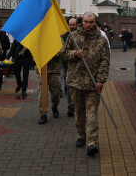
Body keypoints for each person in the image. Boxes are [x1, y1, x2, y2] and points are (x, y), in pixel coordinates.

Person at [62, 11, 110, 156]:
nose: (88, 25)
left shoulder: (101, 40)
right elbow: (64, 53)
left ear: (96, 22)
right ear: (81, 22)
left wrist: (101, 80)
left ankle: (92, 142)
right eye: (86, 22)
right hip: (76, 82)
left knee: (92, 114)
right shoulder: (73, 37)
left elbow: (105, 61)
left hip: (93, 84)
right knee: (79, 111)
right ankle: (81, 136)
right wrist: (75, 54)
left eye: (91, 22)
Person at [37, 50, 62, 124]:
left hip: (54, 71)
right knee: (42, 93)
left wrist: (48, 52)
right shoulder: (38, 40)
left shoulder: (58, 39)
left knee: (56, 93)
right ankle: (43, 113)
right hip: (41, 71)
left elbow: (62, 51)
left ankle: (54, 106)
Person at [60, 17, 78, 117]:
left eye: (73, 25)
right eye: (70, 25)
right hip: (67, 66)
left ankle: (78, 107)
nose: (72, 26)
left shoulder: (80, 36)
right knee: (69, 87)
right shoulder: (65, 36)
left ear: (77, 25)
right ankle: (70, 108)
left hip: (79, 67)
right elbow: (63, 52)